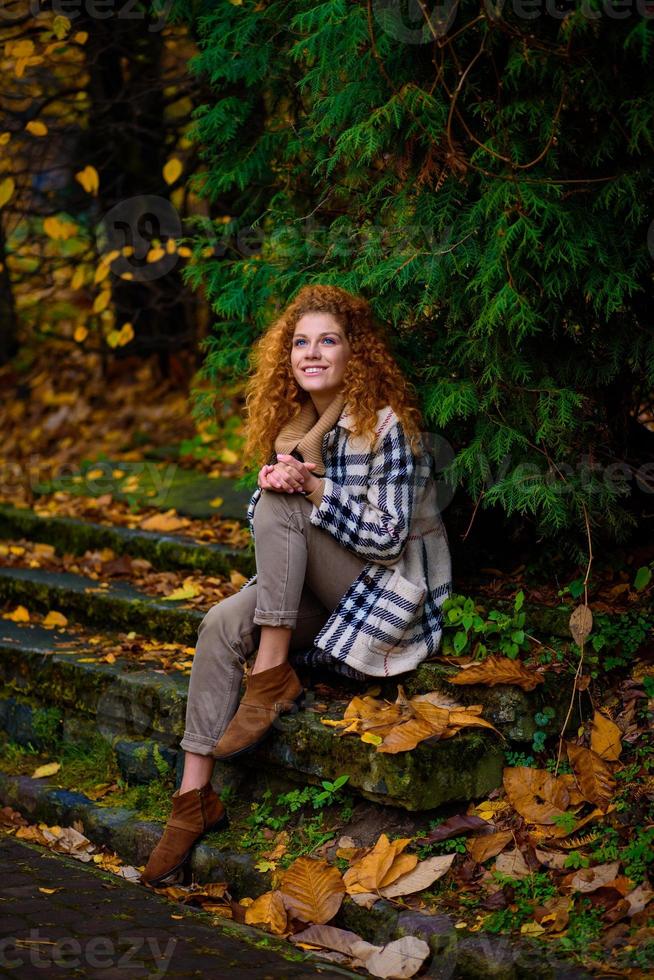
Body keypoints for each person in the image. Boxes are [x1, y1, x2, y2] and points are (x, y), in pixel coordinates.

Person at [140, 284, 452, 888]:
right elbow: (272, 534)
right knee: (221, 622)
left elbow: (388, 538)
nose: (311, 353)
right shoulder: (294, 431)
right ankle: (191, 799)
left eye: (327, 341)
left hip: (388, 595)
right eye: (300, 343)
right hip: (326, 592)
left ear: (354, 354)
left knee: (286, 503)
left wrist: (306, 489)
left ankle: (272, 672)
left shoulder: (389, 429)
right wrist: (277, 480)